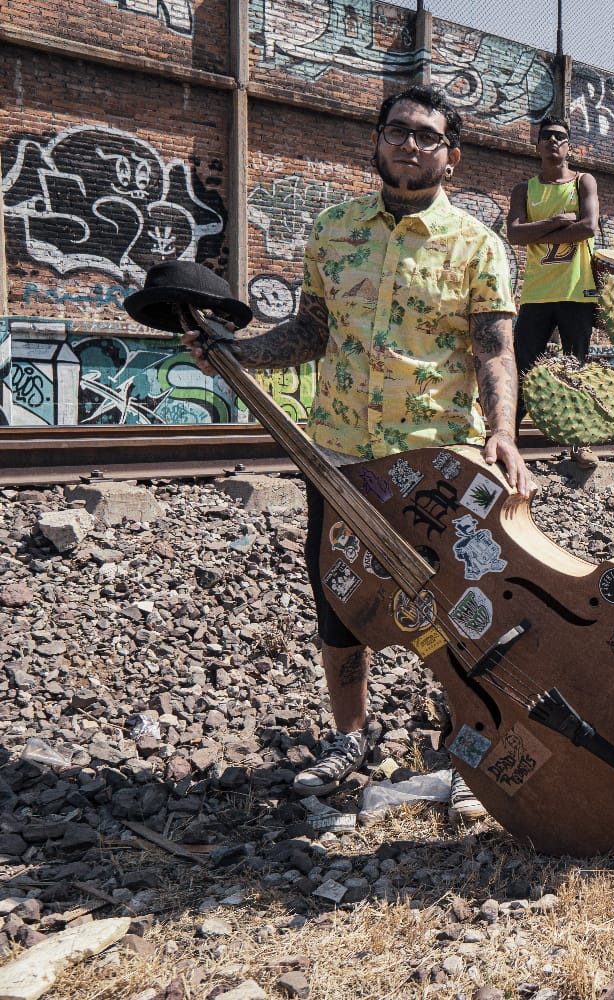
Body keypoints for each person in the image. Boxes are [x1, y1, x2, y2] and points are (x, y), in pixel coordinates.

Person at [182, 84, 535, 821]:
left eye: (427, 137)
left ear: (452, 157)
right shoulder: (332, 230)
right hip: (339, 456)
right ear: (375, 142)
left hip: (437, 460)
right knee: (339, 598)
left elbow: (495, 351)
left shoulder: (477, 245)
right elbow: (311, 332)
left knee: (457, 605)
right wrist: (238, 354)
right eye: (398, 131)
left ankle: (467, 744)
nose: (411, 144)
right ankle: (348, 739)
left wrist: (503, 431)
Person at [506, 115, 601, 463]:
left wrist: (538, 232)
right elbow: (514, 234)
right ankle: (506, 440)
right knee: (520, 367)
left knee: (578, 370)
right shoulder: (524, 190)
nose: (552, 141)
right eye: (545, 136)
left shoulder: (583, 182)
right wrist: (556, 223)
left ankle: (580, 446)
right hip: (536, 295)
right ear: (537, 146)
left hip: (577, 292)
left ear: (569, 146)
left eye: (559, 137)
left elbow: (588, 227)